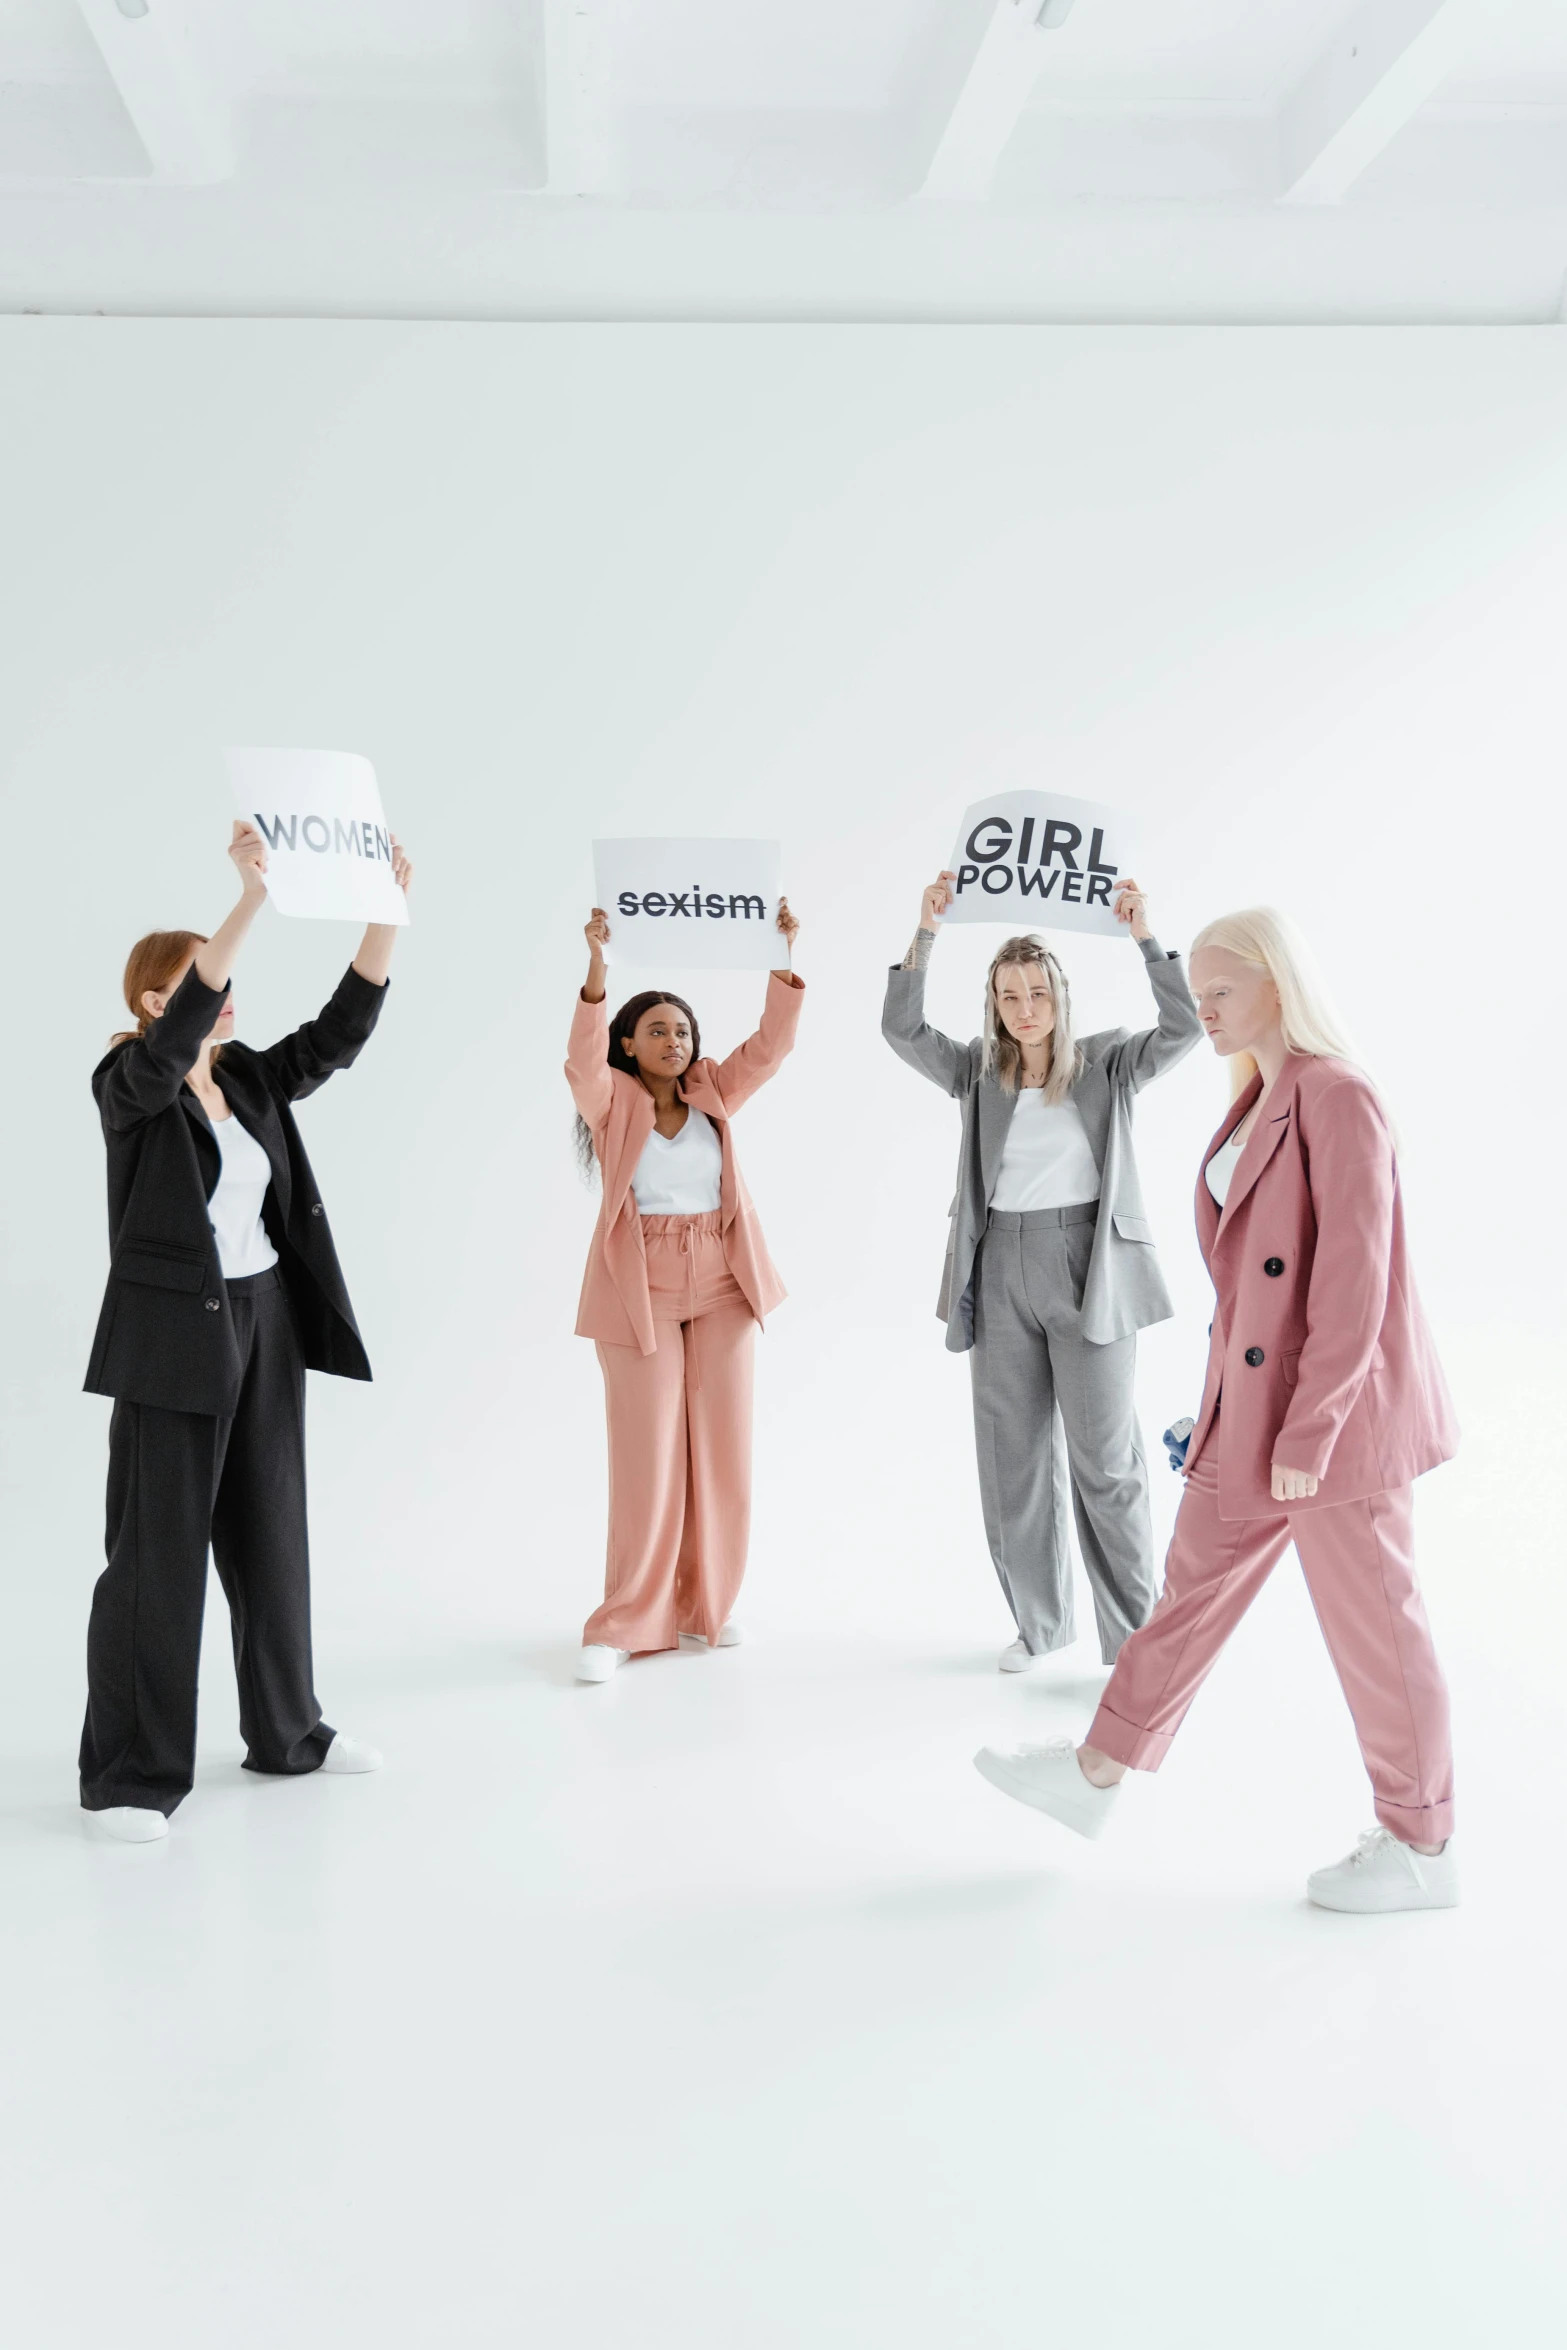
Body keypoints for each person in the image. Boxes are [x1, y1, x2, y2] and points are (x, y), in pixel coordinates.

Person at [973, 908, 1460, 1914]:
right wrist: (1223, 1411)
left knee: (1375, 1624)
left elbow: (1352, 1284)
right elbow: (1250, 1299)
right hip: (1260, 1415)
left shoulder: (1337, 1096)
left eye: (1220, 989)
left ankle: (1422, 1844)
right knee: (1188, 1589)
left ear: (1277, 984)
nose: (1204, 1008)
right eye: (1196, 990)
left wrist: (1310, 1427)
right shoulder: (1258, 1097)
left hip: (1332, 1430)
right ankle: (1098, 1769)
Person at [80, 817, 413, 1842]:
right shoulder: (129, 1088)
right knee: (157, 1552)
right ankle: (133, 1777)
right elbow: (175, 1038)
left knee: (271, 1534)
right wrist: (249, 898)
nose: (227, 1000)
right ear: (154, 1001)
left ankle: (288, 1732)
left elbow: (339, 1034)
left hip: (264, 1315)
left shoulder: (254, 1079)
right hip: (175, 1337)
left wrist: (383, 919)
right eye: (201, 987)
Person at [882, 872, 1202, 1669]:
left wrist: (1143, 937)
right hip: (997, 1270)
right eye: (1007, 995)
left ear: (1060, 995)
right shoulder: (976, 1074)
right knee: (1011, 1460)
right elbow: (900, 1029)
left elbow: (1185, 1024)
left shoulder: (1108, 1063)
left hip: (1089, 1267)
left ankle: (1133, 1641)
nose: (1023, 1008)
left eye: (1036, 992)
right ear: (992, 1004)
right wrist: (925, 933)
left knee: (1107, 1461)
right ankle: (1039, 1626)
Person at [566, 902, 804, 1682]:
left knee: (724, 1446)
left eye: (684, 1031)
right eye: (659, 1031)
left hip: (724, 1278)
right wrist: (598, 968)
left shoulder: (712, 1092)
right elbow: (578, 1063)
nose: (677, 1042)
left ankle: (709, 1606)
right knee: (647, 1452)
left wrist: (782, 951)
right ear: (629, 1044)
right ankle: (626, 1621)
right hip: (642, 1283)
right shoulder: (611, 1102)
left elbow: (770, 1049)